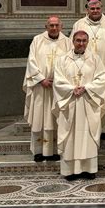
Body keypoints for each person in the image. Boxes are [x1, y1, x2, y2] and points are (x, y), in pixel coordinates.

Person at [53, 31, 105, 181]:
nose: (81, 43)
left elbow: (102, 79)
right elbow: (58, 80)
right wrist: (71, 89)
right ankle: (70, 171)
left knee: (88, 135)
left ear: (87, 42)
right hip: (70, 103)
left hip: (88, 103)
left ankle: (89, 169)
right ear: (73, 41)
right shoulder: (62, 60)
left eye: (84, 41)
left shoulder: (95, 59)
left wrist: (86, 88)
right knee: (70, 136)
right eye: (78, 40)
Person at [71, 0, 105, 139]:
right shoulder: (79, 24)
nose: (95, 11)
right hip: (84, 69)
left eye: (97, 8)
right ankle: (87, 127)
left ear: (102, 8)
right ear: (87, 10)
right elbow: (72, 46)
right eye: (92, 8)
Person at [23, 16, 71, 162]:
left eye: (57, 25)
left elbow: (70, 63)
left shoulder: (67, 42)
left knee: (55, 118)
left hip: (58, 89)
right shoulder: (37, 40)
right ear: (46, 26)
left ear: (61, 26)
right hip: (40, 87)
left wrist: (59, 80)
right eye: (51, 25)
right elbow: (31, 61)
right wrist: (41, 79)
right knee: (40, 118)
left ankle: (55, 150)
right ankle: (39, 151)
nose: (54, 28)